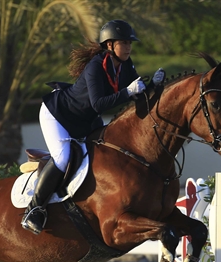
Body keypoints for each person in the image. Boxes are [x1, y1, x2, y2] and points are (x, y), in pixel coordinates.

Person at [22, 19, 165, 234]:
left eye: (129, 43)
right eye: (124, 43)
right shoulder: (96, 67)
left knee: (106, 149)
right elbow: (99, 103)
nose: (128, 47)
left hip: (86, 119)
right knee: (63, 158)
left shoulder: (126, 65)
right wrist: (127, 92)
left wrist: (154, 85)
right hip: (59, 115)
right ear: (110, 45)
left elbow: (139, 94)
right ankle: (34, 209)